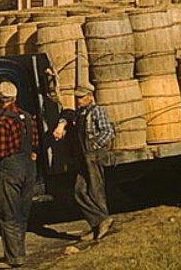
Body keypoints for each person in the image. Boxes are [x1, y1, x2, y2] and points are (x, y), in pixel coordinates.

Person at [52, 81, 115, 251]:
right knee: (79, 191)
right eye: (77, 98)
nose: (78, 100)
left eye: (81, 97)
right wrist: (63, 126)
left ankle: (101, 225)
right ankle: (99, 222)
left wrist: (94, 146)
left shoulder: (97, 111)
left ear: (90, 97)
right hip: (82, 158)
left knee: (96, 190)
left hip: (93, 156)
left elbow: (108, 131)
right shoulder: (80, 113)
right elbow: (68, 114)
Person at [0, 80, 39, 269]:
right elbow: (34, 141)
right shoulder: (27, 117)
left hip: (11, 166)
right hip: (29, 165)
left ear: (0, 98)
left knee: (8, 212)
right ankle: (19, 250)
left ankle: (14, 257)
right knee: (22, 211)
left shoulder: (4, 120)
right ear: (15, 97)